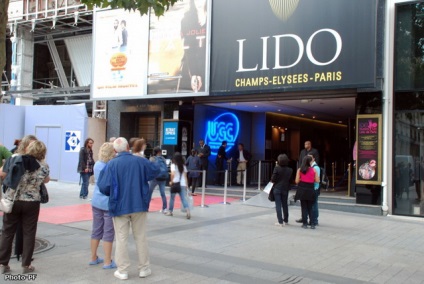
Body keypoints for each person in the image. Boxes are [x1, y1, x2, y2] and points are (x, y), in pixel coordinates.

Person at [97, 137, 160, 280]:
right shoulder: (140, 161)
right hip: (139, 204)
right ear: (127, 148)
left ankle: (123, 270)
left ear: (114, 150)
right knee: (141, 237)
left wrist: (112, 193)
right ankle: (144, 268)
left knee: (121, 239)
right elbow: (155, 170)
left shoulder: (111, 164)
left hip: (119, 206)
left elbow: (103, 186)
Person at [0, 140, 50, 274]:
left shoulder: (15, 159)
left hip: (13, 200)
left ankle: (3, 264)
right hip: (32, 202)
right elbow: (46, 180)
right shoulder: (44, 166)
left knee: (7, 232)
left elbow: (3, 175)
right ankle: (26, 265)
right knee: (29, 232)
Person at [89, 142, 117, 269]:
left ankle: (93, 257)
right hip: (108, 202)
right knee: (108, 232)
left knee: (96, 229)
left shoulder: (97, 165)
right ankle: (107, 261)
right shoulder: (112, 166)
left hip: (96, 201)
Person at [180, 0, 207, 92]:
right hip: (191, 68)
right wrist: (194, 73)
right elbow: (188, 49)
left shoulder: (213, 16)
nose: (199, 2)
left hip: (210, 68)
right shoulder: (186, 20)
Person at [294, 155, 319, 229]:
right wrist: (311, 179)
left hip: (302, 189)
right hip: (310, 189)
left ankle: (304, 223)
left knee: (304, 207)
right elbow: (317, 180)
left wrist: (302, 179)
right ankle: (312, 224)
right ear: (309, 162)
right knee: (310, 207)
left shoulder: (300, 170)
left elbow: (296, 181)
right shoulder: (314, 170)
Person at [165, 152, 191, 219]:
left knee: (172, 198)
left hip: (175, 183)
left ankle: (170, 211)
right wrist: (186, 185)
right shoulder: (184, 166)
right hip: (182, 184)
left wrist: (171, 181)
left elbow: (172, 174)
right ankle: (188, 211)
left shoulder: (173, 165)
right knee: (183, 198)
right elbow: (185, 176)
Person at [271, 154, 293, 226]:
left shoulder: (277, 168)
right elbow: (290, 180)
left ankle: (280, 221)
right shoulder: (290, 170)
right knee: (285, 204)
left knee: (278, 205)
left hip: (277, 188)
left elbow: (273, 179)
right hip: (285, 188)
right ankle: (286, 220)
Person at [148, 147, 168, 213]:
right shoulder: (163, 159)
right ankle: (164, 208)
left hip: (154, 178)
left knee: (149, 192)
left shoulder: (152, 158)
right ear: (159, 152)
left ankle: (146, 207)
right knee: (163, 193)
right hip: (163, 178)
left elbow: (149, 168)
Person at [309, 153, 320, 226]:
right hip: (311, 188)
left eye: (310, 158)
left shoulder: (315, 167)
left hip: (315, 188)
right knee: (312, 204)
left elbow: (317, 179)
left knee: (314, 204)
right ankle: (312, 219)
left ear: (313, 159)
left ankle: (315, 220)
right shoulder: (310, 167)